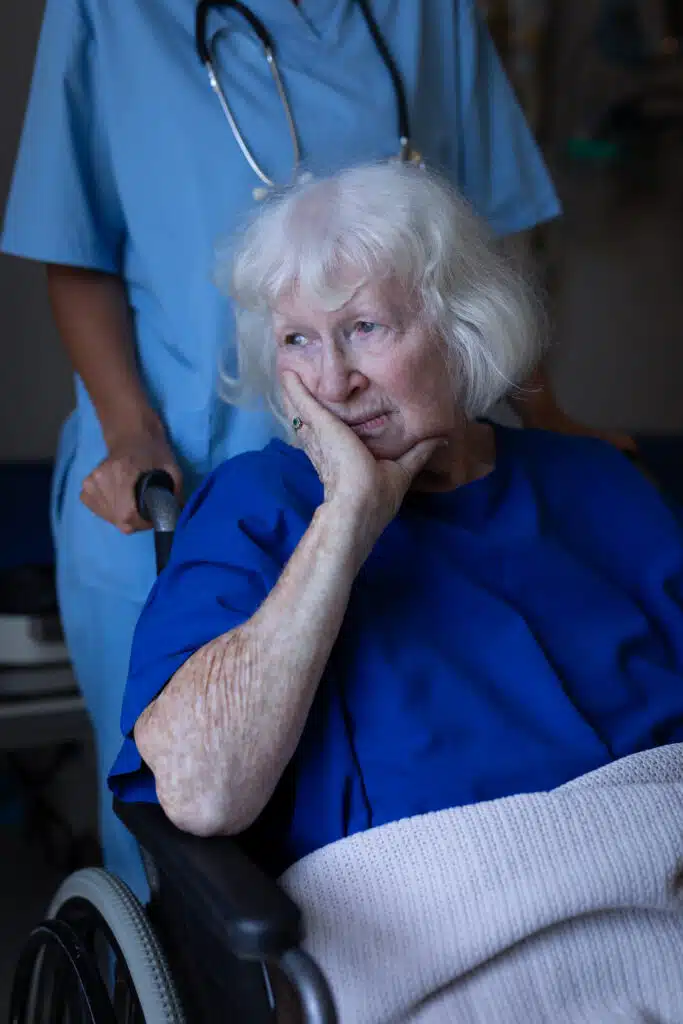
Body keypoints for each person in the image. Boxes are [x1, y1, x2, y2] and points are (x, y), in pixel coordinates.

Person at [1, 0, 570, 895]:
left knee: (403, 789)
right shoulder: (109, 14)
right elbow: (75, 246)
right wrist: (131, 431)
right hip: (175, 482)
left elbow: (480, 244)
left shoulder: (426, 13)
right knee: (185, 848)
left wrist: (552, 416)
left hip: (405, 489)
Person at [109, 164, 683, 876]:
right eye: (296, 341)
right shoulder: (255, 507)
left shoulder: (596, 483)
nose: (331, 381)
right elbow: (202, 797)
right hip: (444, 913)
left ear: (462, 326)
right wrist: (347, 517)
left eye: (364, 328)